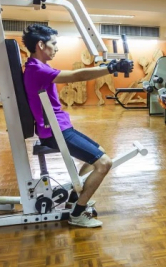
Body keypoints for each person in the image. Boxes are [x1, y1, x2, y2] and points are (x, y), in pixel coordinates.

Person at [22, 24, 133, 228]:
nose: (56, 48)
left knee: (99, 153)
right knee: (104, 163)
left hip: (59, 127)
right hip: (55, 131)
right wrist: (111, 68)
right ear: (41, 45)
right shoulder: (37, 69)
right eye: (53, 43)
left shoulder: (36, 66)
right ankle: (77, 213)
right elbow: (77, 76)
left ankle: (74, 199)